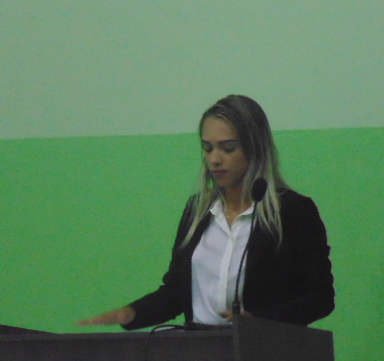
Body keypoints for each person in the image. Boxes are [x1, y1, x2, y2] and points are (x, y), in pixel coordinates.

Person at [78, 95, 335, 330]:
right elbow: (175, 292)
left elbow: (320, 298)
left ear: (255, 148)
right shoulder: (197, 211)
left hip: (263, 352)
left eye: (228, 147)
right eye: (208, 148)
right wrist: (132, 313)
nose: (215, 159)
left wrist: (260, 321)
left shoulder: (292, 212)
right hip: (199, 351)